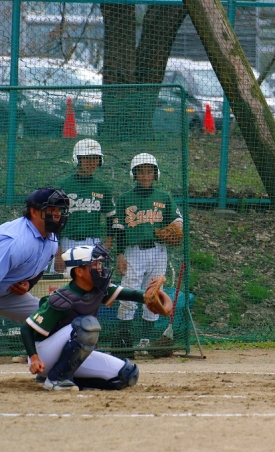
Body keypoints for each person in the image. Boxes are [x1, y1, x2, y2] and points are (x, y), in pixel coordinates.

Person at [19, 245, 166, 391]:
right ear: (79, 271)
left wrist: (149, 297)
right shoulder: (62, 298)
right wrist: (34, 358)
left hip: (71, 356)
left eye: (100, 264)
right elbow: (26, 328)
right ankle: (56, 379)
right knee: (87, 325)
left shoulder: (99, 289)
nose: (100, 268)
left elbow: (132, 294)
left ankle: (67, 377)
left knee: (126, 375)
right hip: (44, 356)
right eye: (94, 265)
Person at [113, 153, 183, 351]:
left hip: (158, 251)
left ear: (155, 174)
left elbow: (178, 220)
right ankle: (125, 341)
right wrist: (119, 254)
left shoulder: (164, 197)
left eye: (149, 171)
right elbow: (119, 229)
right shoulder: (125, 198)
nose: (145, 175)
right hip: (133, 251)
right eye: (141, 172)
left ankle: (145, 341)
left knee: (154, 295)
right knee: (128, 294)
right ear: (134, 174)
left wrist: (176, 227)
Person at [0, 188, 69, 323]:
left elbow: (39, 268)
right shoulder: (16, 242)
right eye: (51, 210)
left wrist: (29, 283)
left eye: (59, 210)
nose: (57, 215)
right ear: (34, 212)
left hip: (7, 296)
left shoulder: (51, 240)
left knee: (56, 320)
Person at [53, 139, 116, 272]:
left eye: (95, 158)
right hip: (66, 242)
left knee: (92, 282)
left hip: (92, 243)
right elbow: (53, 221)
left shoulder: (102, 187)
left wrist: (108, 243)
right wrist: (58, 251)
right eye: (86, 158)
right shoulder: (63, 186)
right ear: (77, 159)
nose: (91, 162)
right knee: (62, 282)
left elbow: (111, 218)